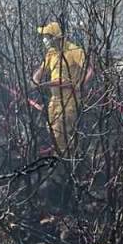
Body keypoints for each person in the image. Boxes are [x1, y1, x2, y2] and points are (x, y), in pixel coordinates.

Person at [31, 21, 91, 155]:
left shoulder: (74, 51)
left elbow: (90, 69)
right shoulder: (51, 54)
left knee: (60, 129)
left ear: (55, 37)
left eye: (47, 36)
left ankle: (67, 158)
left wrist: (80, 85)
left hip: (70, 98)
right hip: (55, 98)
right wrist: (35, 80)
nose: (45, 40)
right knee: (51, 128)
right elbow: (40, 72)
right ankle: (69, 153)